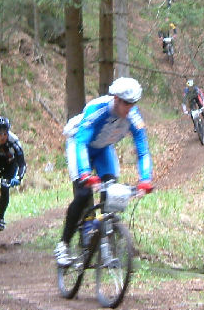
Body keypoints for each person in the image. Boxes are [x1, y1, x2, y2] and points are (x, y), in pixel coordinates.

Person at [54, 77, 154, 266]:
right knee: (83, 193)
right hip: (79, 145)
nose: (130, 108)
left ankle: (103, 240)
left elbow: (142, 149)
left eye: (133, 104)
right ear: (116, 99)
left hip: (103, 149)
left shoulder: (134, 116)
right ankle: (63, 245)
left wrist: (145, 179)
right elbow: (82, 141)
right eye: (126, 103)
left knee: (111, 192)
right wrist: (85, 173)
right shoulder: (97, 109)